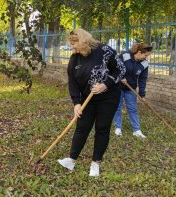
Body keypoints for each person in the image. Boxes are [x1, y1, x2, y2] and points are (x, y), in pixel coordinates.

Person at [57, 28, 126, 176]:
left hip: (108, 97)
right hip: (87, 98)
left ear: (83, 41)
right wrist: (76, 103)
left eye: (74, 43)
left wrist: (105, 84)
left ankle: (96, 163)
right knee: (82, 127)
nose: (72, 46)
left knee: (102, 128)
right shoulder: (75, 58)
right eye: (71, 43)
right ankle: (71, 160)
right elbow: (73, 82)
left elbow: (120, 69)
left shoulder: (104, 51)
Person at [113, 43, 152, 138]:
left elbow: (143, 79)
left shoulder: (144, 63)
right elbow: (114, 67)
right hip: (119, 87)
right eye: (145, 55)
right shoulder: (125, 55)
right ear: (139, 52)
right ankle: (118, 128)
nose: (146, 57)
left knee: (132, 109)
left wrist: (142, 94)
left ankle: (136, 130)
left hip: (131, 89)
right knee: (118, 107)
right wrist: (121, 77)